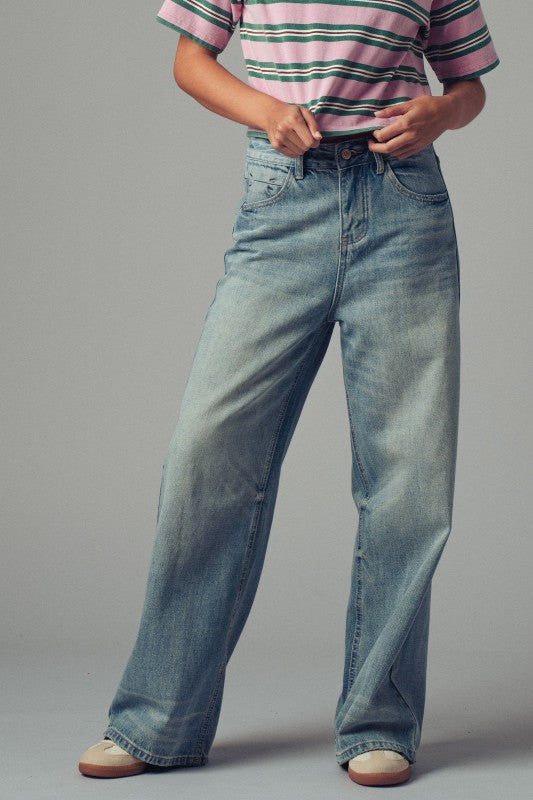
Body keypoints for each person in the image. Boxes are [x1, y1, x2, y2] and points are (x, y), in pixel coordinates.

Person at [78, 0, 499, 787]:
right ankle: (158, 719)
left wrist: (441, 113)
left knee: (408, 481)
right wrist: (267, 111)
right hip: (282, 199)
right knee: (207, 458)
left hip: (403, 207)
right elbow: (190, 61)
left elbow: (469, 84)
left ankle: (378, 722)